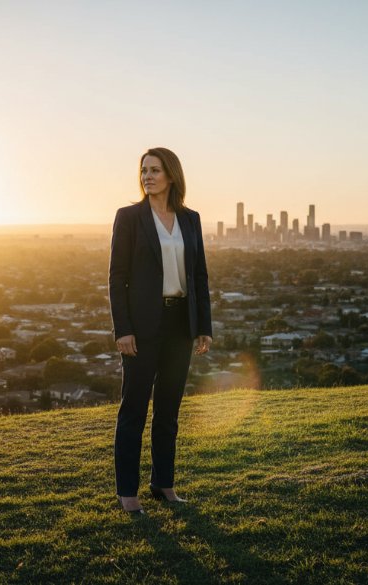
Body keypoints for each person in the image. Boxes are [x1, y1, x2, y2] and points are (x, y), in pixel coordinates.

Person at [109, 147, 213, 515]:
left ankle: (163, 484)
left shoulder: (190, 219)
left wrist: (203, 326)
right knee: (134, 410)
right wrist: (123, 329)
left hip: (180, 324)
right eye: (143, 171)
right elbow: (117, 277)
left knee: (169, 411)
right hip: (141, 327)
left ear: (171, 175)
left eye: (155, 170)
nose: (147, 177)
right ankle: (127, 493)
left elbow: (199, 275)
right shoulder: (129, 217)